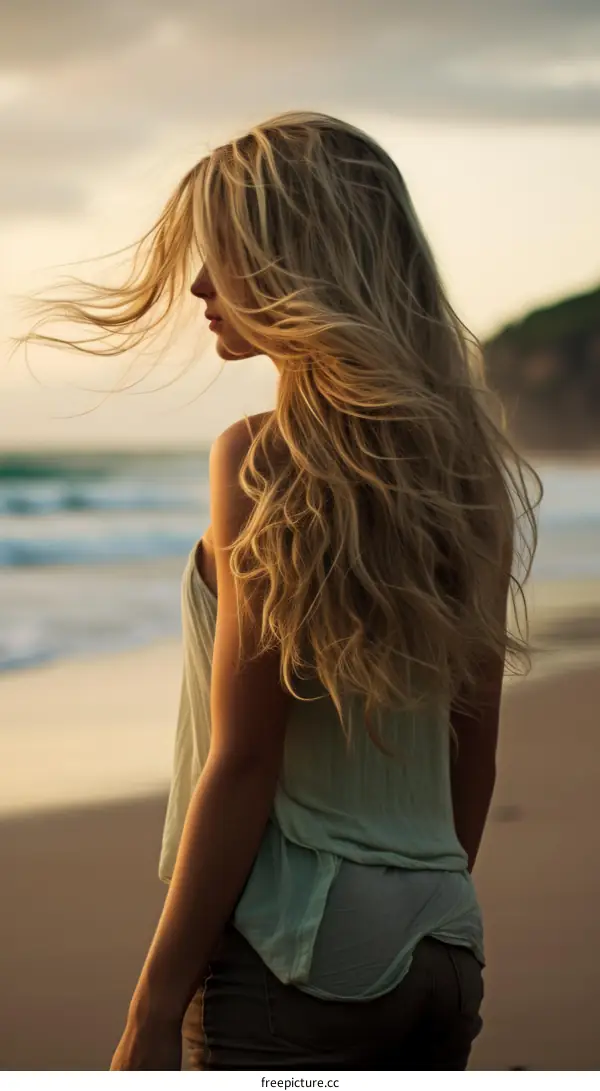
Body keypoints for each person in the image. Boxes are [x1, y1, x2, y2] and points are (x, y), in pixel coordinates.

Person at [24, 111, 541, 1070]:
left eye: (224, 256)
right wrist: (415, 914)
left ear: (297, 263)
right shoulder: (470, 477)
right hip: (444, 943)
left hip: (292, 954)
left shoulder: (260, 459)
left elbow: (245, 760)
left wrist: (150, 1012)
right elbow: (474, 754)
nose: (200, 286)